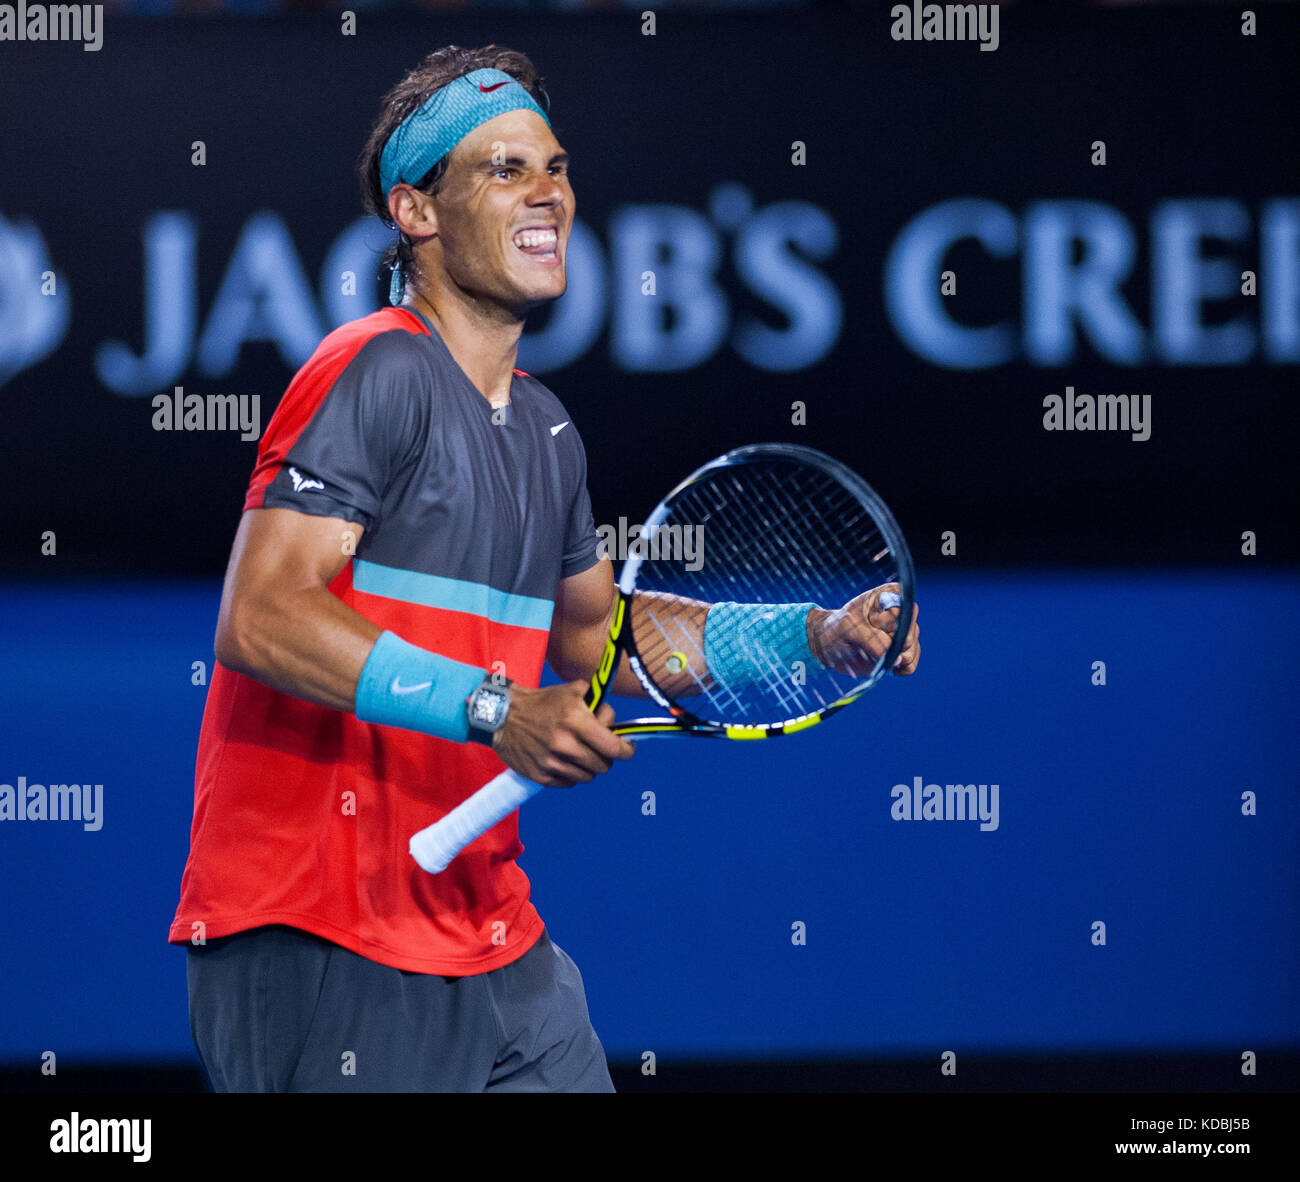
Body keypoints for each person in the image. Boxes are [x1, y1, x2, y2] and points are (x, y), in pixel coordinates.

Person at [169, 44, 919, 1094]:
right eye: (504, 168)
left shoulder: (547, 430)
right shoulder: (369, 368)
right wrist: (494, 710)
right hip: (326, 933)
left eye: (556, 167)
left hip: (495, 942)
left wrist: (811, 634)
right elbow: (261, 617)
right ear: (416, 213)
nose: (549, 194)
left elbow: (597, 645)